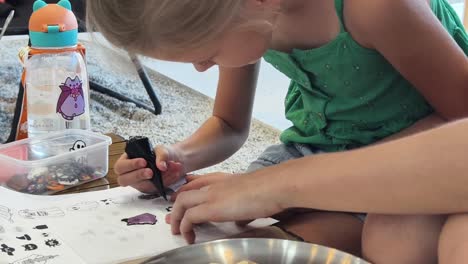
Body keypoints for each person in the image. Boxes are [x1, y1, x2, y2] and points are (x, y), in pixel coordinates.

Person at [86, 0, 468, 262]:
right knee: (220, 226)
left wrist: (281, 189)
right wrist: (180, 156)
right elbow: (229, 124)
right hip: (312, 151)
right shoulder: (247, 14)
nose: (202, 68)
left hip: (409, 156)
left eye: (207, 54)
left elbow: (459, 122)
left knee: (394, 246)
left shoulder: (375, 9)